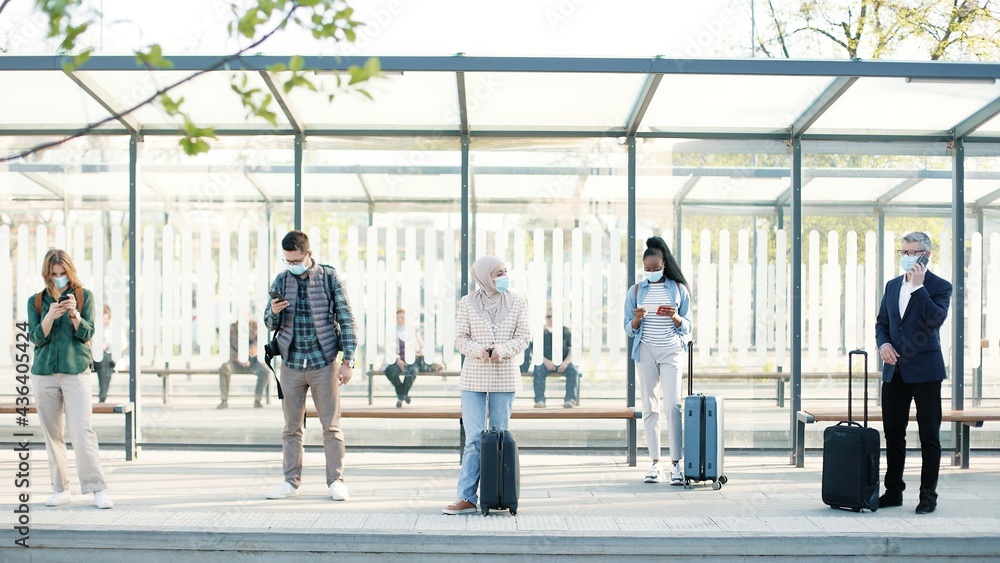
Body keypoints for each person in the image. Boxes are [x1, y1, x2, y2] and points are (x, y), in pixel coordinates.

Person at [263, 230, 358, 502]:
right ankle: (290, 482)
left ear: (309, 254)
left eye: (296, 260)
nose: (292, 266)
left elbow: (347, 319)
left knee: (331, 426)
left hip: (323, 362)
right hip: (291, 363)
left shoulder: (329, 278)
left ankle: (336, 481)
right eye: (288, 261)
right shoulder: (281, 280)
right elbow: (270, 323)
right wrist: (274, 311)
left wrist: (347, 360)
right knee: (291, 427)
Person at [26, 249, 114, 509]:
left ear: (70, 271)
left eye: (63, 273)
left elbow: (88, 334)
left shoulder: (84, 296)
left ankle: (96, 488)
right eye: (54, 274)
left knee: (82, 430)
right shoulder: (37, 301)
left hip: (76, 372)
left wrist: (74, 315)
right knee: (52, 433)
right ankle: (61, 489)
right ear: (47, 274)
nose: (59, 278)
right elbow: (36, 338)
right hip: (44, 374)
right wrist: (50, 316)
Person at [443, 255, 530, 515]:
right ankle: (466, 497)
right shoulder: (467, 303)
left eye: (505, 270)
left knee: (499, 437)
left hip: (504, 377)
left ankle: (497, 495)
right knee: (473, 440)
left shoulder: (517, 301)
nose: (504, 276)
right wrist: (480, 350)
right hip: (473, 378)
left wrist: (502, 349)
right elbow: (460, 339)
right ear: (483, 276)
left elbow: (524, 337)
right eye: (497, 273)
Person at [876, 231, 952, 515]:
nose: (906, 257)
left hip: (926, 372)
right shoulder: (892, 285)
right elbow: (882, 323)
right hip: (894, 371)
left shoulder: (940, 286)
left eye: (912, 252)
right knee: (893, 433)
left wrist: (919, 288)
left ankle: (927, 496)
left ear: (926, 255)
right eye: (903, 252)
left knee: (929, 435)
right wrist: (883, 343)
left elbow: (935, 320)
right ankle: (893, 491)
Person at [624, 236, 693, 486]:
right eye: (647, 269)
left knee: (673, 406)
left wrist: (675, 316)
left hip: (671, 351)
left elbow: (688, 326)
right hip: (646, 352)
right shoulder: (636, 290)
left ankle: (677, 464)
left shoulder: (677, 289)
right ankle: (655, 464)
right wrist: (637, 320)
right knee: (649, 406)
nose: (652, 272)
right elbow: (628, 328)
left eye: (656, 268)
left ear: (664, 264)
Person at [522, 304, 580, 409]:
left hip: (563, 363)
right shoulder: (541, 332)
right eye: (549, 316)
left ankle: (570, 400)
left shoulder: (565, 331)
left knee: (574, 371)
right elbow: (535, 350)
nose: (551, 319)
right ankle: (540, 400)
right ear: (545, 318)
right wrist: (546, 362)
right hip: (546, 363)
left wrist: (566, 363)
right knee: (538, 370)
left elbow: (572, 350)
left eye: (554, 316)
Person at [217, 318, 269, 409]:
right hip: (235, 361)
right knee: (224, 368)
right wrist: (238, 357)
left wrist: (246, 356)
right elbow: (226, 346)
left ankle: (257, 400)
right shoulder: (231, 328)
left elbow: (259, 343)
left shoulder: (255, 326)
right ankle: (224, 400)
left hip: (252, 360)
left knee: (265, 371)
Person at [385, 308, 432, 408]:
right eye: (397, 318)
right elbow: (388, 349)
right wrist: (398, 360)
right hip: (396, 359)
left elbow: (422, 346)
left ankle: (401, 395)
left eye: (402, 317)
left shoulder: (413, 331)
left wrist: (420, 353)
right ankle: (403, 394)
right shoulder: (391, 332)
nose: (400, 320)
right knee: (390, 371)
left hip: (412, 359)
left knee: (412, 371)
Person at [92, 304, 121, 404]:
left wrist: (107, 345)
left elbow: (123, 343)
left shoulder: (114, 328)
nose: (104, 321)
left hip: (107, 356)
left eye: (105, 318)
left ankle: (102, 395)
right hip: (93, 356)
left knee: (104, 363)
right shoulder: (94, 327)